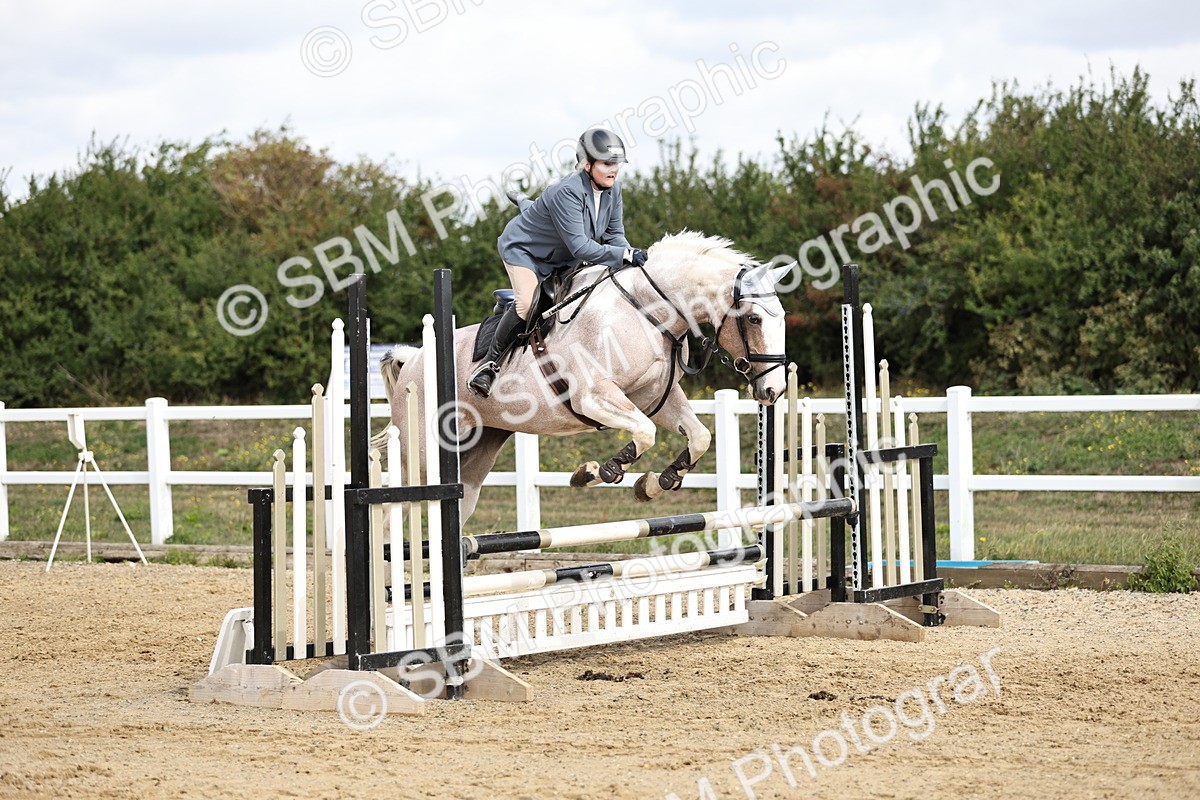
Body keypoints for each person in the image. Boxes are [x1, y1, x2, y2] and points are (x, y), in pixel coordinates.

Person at [467, 128, 649, 399]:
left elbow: (614, 236)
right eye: (607, 163)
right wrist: (624, 255)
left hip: (564, 255)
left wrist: (629, 254)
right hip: (525, 250)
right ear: (587, 164)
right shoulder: (567, 191)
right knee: (527, 303)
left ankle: (523, 201)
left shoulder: (614, 191)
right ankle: (488, 365)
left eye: (617, 164)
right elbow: (581, 246)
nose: (614, 170)